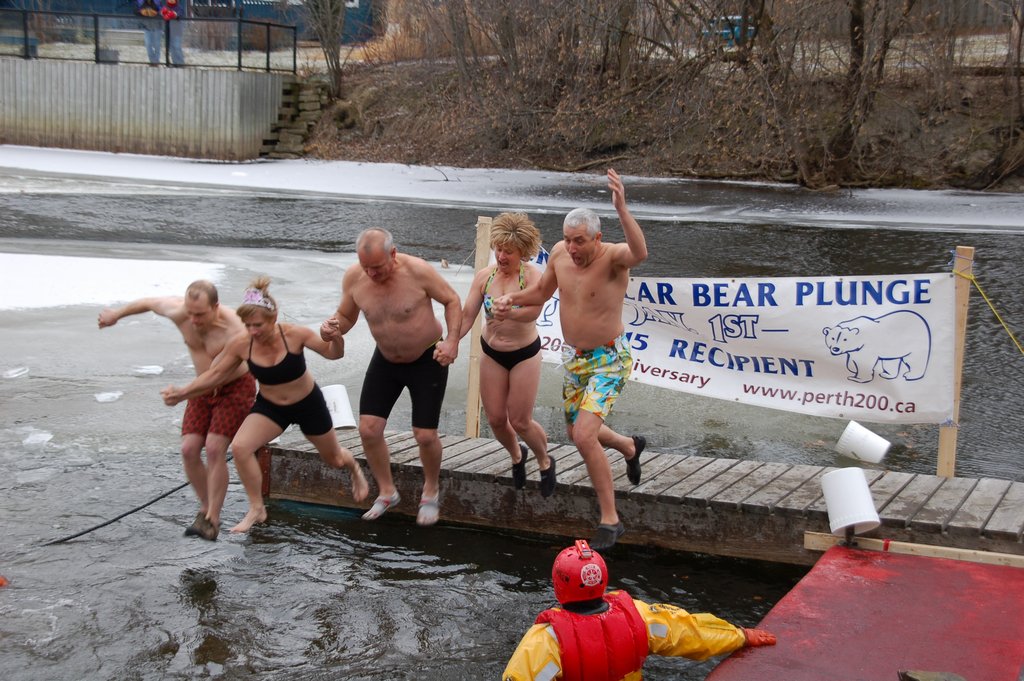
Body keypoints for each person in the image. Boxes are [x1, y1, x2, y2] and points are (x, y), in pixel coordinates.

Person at [494, 168, 647, 550]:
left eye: (580, 241)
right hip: (575, 359)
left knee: (583, 435)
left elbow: (640, 252)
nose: (572, 247)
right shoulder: (561, 255)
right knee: (575, 431)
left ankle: (610, 519)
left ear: (597, 238)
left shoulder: (613, 258)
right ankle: (629, 447)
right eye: (567, 239)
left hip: (610, 359)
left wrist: (622, 208)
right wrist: (512, 299)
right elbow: (541, 293)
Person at [161, 277, 369, 534]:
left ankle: (354, 468)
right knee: (240, 447)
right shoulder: (241, 344)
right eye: (247, 325)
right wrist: (183, 393)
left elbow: (333, 353)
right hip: (271, 407)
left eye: (258, 325)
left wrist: (336, 338)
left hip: (307, 404)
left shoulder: (295, 334)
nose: (253, 331)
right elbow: (214, 375)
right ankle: (257, 507)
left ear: (274, 318)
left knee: (334, 458)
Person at [320, 227, 462, 527]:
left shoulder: (417, 271)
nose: (372, 274)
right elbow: (346, 316)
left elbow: (451, 300)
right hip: (386, 358)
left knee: (424, 434)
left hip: (427, 357)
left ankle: (431, 490)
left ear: (393, 254)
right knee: (369, 429)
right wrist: (332, 327)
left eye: (378, 267)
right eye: (366, 267)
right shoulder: (355, 278)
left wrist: (452, 341)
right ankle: (387, 491)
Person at [98, 280, 256, 541]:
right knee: (189, 449)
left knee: (214, 448)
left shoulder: (235, 329)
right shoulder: (179, 312)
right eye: (190, 313)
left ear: (216, 307)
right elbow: (148, 302)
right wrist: (116, 314)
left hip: (234, 387)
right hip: (199, 387)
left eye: (200, 314)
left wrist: (183, 393)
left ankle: (212, 519)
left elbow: (218, 374)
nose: (193, 320)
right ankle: (205, 508)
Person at [502, 540, 777, 680]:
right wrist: (740, 635)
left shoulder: (546, 641)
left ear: (558, 586)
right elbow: (691, 633)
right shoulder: (638, 616)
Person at [457, 213, 555, 496]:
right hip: (492, 352)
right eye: (498, 249)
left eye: (508, 251)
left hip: (524, 354)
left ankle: (545, 460)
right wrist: (450, 342)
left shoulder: (532, 277)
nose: (501, 256)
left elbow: (533, 312)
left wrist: (509, 311)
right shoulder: (484, 277)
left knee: (520, 421)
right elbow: (467, 316)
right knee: (497, 420)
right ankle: (517, 455)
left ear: (522, 252)